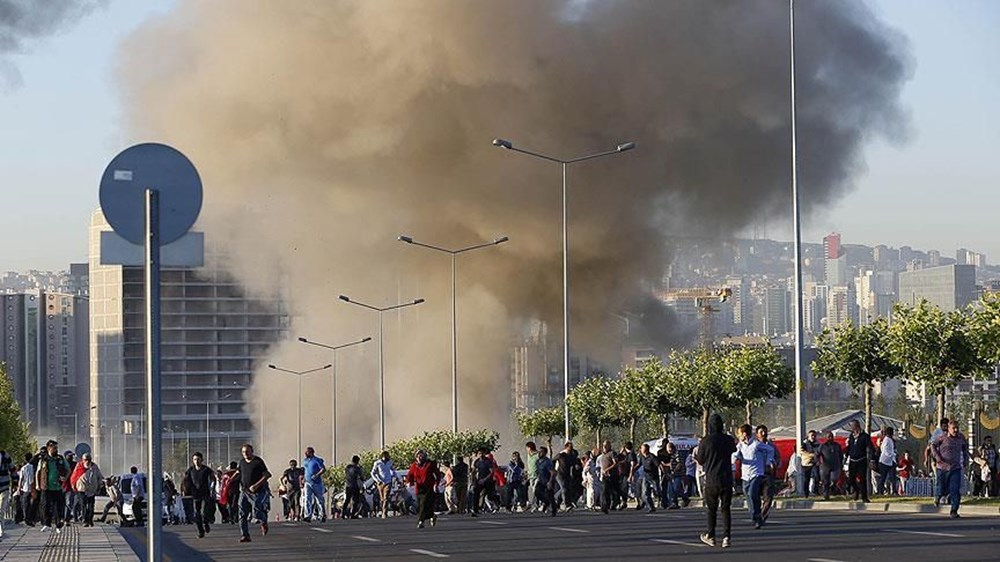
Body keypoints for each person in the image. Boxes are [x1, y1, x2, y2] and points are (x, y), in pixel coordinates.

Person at [697, 413, 737, 549]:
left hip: (712, 479)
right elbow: (733, 450)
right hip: (726, 478)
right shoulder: (728, 439)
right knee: (726, 509)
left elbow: (701, 460)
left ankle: (711, 535)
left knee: (711, 509)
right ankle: (726, 537)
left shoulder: (705, 441)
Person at [931, 420, 970, 517]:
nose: (955, 430)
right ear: (948, 429)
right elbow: (932, 445)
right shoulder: (942, 437)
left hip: (955, 468)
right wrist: (937, 457)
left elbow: (965, 447)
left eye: (957, 428)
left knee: (955, 489)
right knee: (941, 488)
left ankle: (954, 510)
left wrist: (966, 459)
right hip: (942, 468)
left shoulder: (961, 437)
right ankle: (938, 496)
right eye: (953, 428)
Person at [235, 444, 271, 543]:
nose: (245, 453)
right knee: (242, 514)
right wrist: (230, 479)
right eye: (243, 452)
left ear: (252, 451)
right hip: (244, 492)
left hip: (256, 492)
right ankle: (245, 535)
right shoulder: (242, 462)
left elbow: (267, 475)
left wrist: (256, 485)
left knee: (257, 513)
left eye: (247, 451)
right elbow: (239, 472)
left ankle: (264, 521)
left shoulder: (258, 462)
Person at [733, 424, 765, 529]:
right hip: (745, 474)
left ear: (744, 434)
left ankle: (757, 516)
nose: (738, 436)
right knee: (747, 494)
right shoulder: (740, 445)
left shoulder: (756, 444)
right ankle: (754, 515)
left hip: (756, 473)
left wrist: (768, 460)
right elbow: (734, 456)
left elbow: (770, 450)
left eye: (739, 434)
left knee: (752, 493)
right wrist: (734, 457)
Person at [35, 441, 69, 533]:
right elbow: (38, 472)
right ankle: (47, 524)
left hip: (58, 487)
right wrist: (37, 484)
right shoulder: (43, 460)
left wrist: (65, 478)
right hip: (46, 487)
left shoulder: (60, 459)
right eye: (54, 448)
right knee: (45, 506)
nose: (56, 450)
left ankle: (58, 526)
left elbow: (68, 469)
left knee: (58, 507)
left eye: (56, 448)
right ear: (49, 448)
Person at [183, 452, 216, 538]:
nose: (196, 461)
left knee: (204, 512)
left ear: (202, 460)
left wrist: (212, 489)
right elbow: (185, 480)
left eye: (198, 459)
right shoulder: (190, 470)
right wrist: (185, 489)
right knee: (196, 513)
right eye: (195, 459)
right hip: (195, 494)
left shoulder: (206, 470)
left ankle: (206, 523)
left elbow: (213, 479)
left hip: (205, 494)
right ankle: (200, 531)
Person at [406, 450, 440, 529]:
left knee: (423, 504)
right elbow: (410, 475)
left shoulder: (430, 464)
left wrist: (436, 484)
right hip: (419, 488)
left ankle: (421, 521)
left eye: (421, 456)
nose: (419, 457)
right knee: (420, 505)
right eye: (418, 456)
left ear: (425, 456)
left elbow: (437, 474)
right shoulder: (414, 465)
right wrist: (409, 482)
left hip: (428, 487)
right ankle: (432, 515)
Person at [72, 453, 103, 527]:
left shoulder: (94, 467)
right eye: (85, 460)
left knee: (91, 506)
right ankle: (85, 520)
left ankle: (90, 519)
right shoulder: (79, 466)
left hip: (92, 490)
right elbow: (74, 476)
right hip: (82, 489)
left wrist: (100, 486)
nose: (87, 461)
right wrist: (74, 485)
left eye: (89, 460)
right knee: (83, 505)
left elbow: (99, 476)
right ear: (83, 460)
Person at [845, 420, 873, 503]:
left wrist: (872, 459)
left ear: (857, 426)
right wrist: (846, 456)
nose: (852, 428)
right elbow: (849, 447)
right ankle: (856, 490)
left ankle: (864, 497)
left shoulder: (865, 436)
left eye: (853, 426)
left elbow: (870, 447)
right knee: (851, 479)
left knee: (862, 479)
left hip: (861, 460)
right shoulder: (851, 436)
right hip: (852, 460)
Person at [301, 447, 327, 522]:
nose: (306, 453)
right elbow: (306, 470)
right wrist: (303, 479)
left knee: (319, 499)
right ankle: (308, 515)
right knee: (307, 499)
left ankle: (322, 515)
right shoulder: (305, 461)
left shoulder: (317, 460)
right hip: (307, 483)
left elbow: (323, 469)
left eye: (308, 452)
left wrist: (317, 475)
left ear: (312, 452)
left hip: (317, 483)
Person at [818, 432, 843, 499]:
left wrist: (841, 463)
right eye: (829, 437)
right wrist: (818, 462)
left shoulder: (837, 445)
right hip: (825, 466)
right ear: (826, 438)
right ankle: (826, 495)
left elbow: (840, 455)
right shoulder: (822, 446)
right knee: (826, 482)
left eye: (831, 436)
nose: (830, 438)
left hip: (835, 466)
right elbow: (817, 454)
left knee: (834, 479)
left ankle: (834, 490)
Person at [471, 447, 494, 517]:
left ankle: (495, 504)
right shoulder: (477, 461)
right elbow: (474, 471)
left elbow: (491, 472)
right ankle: (475, 510)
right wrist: (473, 480)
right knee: (476, 494)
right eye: (479, 453)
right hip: (479, 481)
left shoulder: (487, 461)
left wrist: (485, 479)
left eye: (482, 453)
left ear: (484, 453)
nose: (480, 455)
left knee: (490, 496)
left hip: (487, 481)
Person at [371, 451, 394, 518]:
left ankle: (384, 512)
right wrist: (377, 480)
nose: (387, 458)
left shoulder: (390, 462)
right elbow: (372, 473)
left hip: (388, 481)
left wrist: (394, 476)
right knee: (382, 499)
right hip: (380, 482)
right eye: (386, 457)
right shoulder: (377, 463)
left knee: (386, 497)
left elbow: (392, 470)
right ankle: (382, 509)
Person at [875, 427, 898, 495]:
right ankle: (880, 490)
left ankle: (894, 490)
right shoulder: (887, 440)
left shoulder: (889, 440)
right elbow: (885, 450)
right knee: (883, 477)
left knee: (892, 477)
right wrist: (893, 454)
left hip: (890, 461)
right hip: (885, 461)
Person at [638, 443, 660, 513]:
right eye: (641, 449)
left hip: (654, 477)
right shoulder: (642, 457)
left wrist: (664, 473)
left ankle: (660, 497)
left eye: (642, 449)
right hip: (646, 477)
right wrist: (632, 472)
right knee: (645, 493)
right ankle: (651, 507)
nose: (641, 450)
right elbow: (639, 465)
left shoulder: (652, 457)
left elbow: (658, 465)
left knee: (657, 491)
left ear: (646, 450)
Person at [799, 430, 820, 497]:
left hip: (815, 462)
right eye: (812, 435)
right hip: (807, 463)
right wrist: (811, 455)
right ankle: (806, 493)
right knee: (806, 479)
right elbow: (802, 451)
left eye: (814, 435)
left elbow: (819, 452)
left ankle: (815, 491)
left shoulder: (818, 443)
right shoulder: (805, 443)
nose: (813, 437)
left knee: (817, 477)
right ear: (808, 436)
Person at [597, 441, 617, 514]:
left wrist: (607, 469)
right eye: (603, 445)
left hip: (611, 475)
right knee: (604, 491)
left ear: (609, 446)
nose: (604, 447)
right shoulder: (602, 455)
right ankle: (604, 507)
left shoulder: (612, 453)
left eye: (606, 445)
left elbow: (615, 463)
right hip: (604, 476)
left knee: (612, 491)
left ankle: (612, 504)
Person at [18, 453, 36, 527]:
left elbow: (21, 479)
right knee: (32, 504)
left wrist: (19, 488)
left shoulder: (23, 468)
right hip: (33, 488)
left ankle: (26, 518)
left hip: (25, 488)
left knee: (25, 504)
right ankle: (30, 518)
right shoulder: (33, 467)